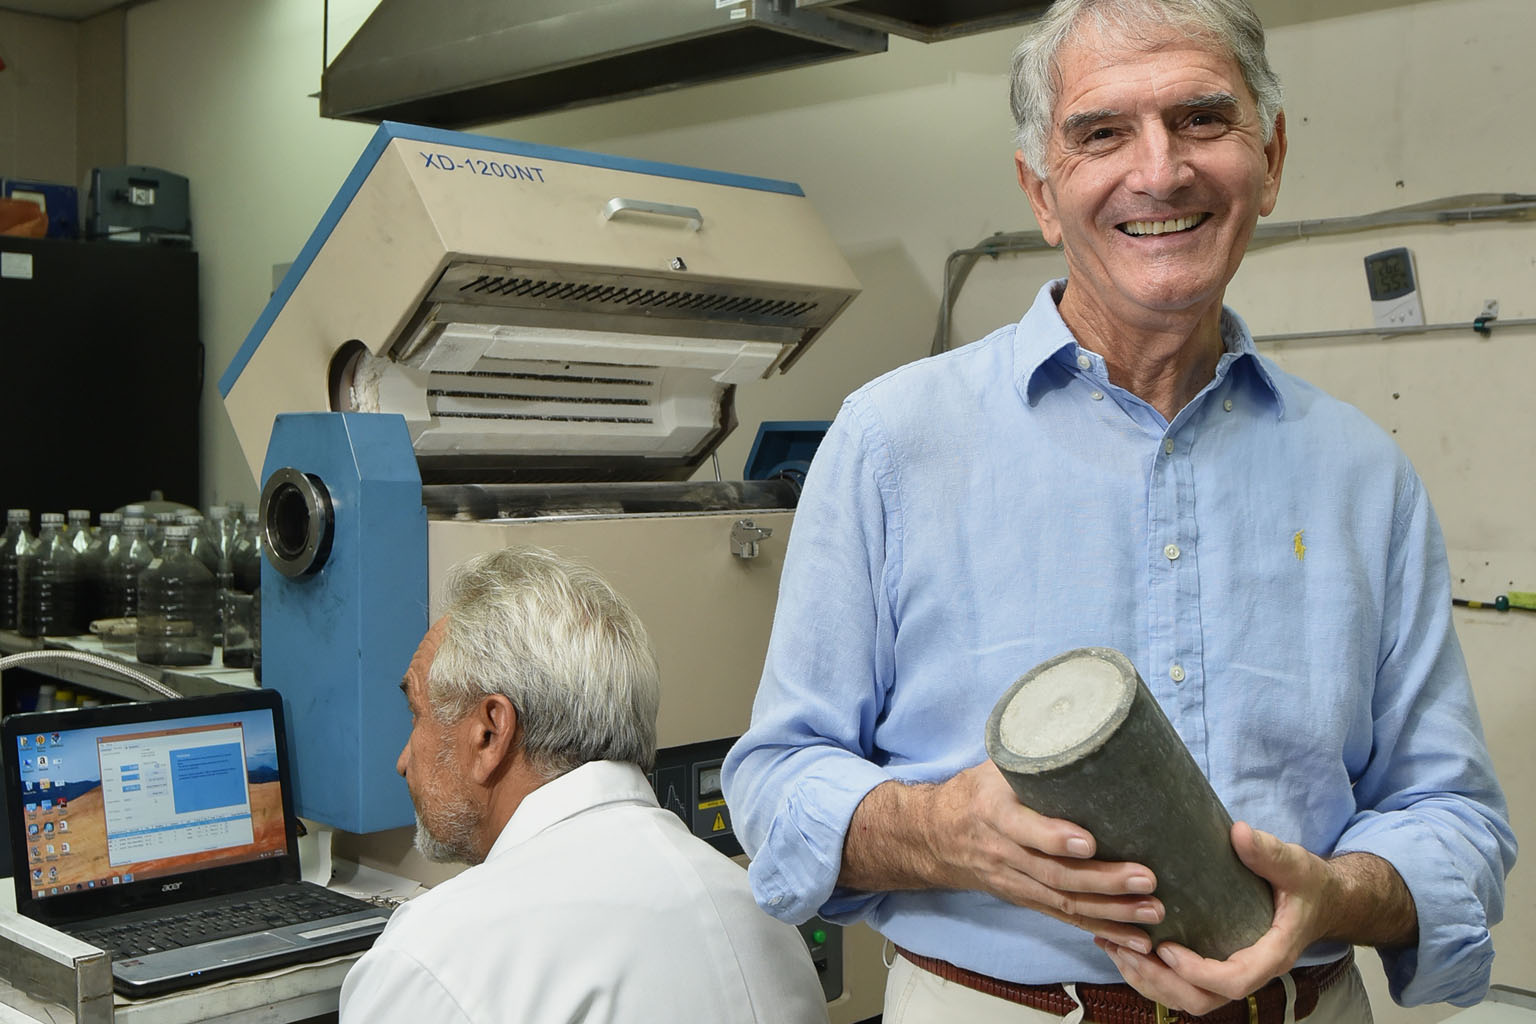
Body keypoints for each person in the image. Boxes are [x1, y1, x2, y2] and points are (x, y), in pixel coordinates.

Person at [721, 1, 1516, 1021]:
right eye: (1102, 132)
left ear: (1268, 159)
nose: (1161, 170)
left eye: (1201, 119)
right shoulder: (890, 442)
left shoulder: (1365, 474)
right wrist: (942, 827)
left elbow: (1453, 819)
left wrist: (1334, 896)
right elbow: (779, 783)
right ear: (1041, 192)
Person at [338, 547, 829, 1024]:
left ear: (489, 733)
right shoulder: (765, 917)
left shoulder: (434, 964)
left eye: (416, 716)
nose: (404, 760)